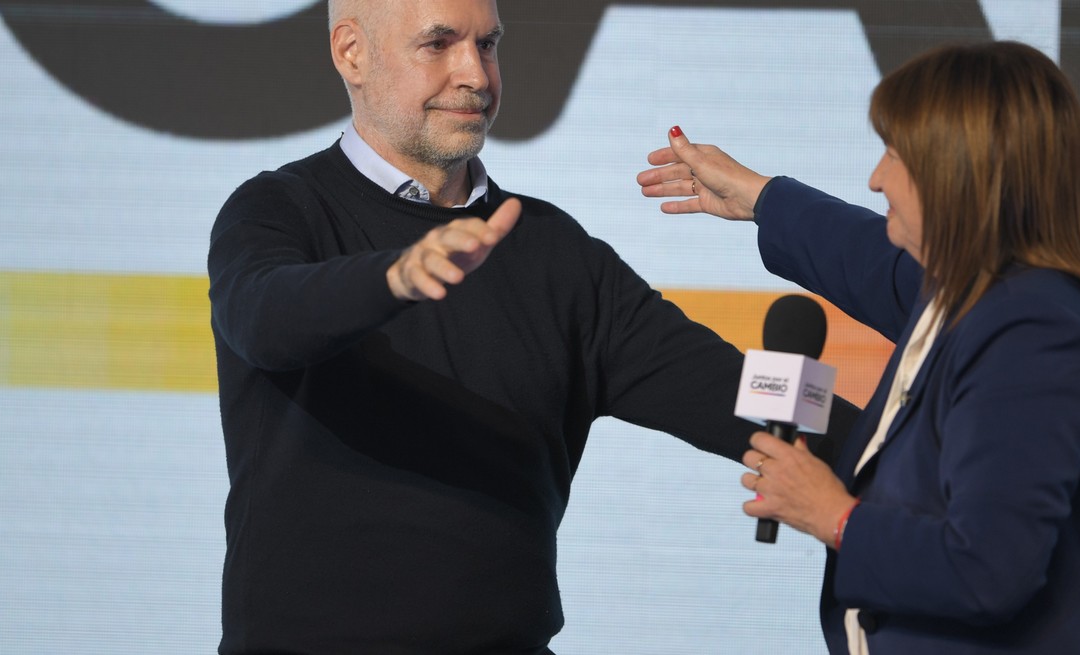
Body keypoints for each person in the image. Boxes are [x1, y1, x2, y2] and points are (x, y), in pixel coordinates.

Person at [207, 0, 853, 652]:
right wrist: (395, 277)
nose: (477, 76)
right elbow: (264, 318)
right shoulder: (276, 211)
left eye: (487, 45)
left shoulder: (551, 251)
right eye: (439, 45)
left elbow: (722, 385)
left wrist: (910, 427)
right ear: (352, 52)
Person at [637, 41, 1080, 654]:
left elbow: (988, 571)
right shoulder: (982, 294)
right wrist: (760, 198)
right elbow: (872, 262)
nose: (875, 178)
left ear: (961, 173)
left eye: (894, 154)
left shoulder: (1036, 334)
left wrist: (832, 515)